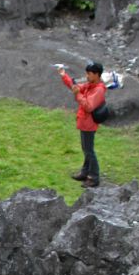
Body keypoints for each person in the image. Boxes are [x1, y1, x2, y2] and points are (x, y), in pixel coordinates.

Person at [58, 60, 106, 188]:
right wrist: (64, 75)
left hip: (88, 124)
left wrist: (77, 95)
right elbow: (76, 87)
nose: (87, 76)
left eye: (89, 74)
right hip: (85, 123)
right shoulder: (90, 85)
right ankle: (85, 172)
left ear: (97, 75)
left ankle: (93, 177)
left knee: (89, 150)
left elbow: (88, 107)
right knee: (86, 149)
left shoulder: (98, 90)